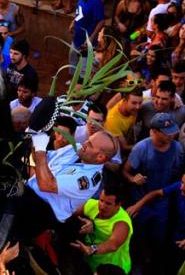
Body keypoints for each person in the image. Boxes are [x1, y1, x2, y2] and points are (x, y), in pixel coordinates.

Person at [122, 113, 184, 274]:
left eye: (172, 131)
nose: (171, 135)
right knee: (137, 237)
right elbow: (125, 172)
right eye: (166, 132)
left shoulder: (177, 148)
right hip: (140, 201)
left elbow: (177, 175)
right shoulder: (141, 148)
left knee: (159, 238)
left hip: (162, 201)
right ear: (154, 131)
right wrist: (132, 179)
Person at [126, 174, 185, 274]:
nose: (181, 187)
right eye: (182, 182)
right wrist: (137, 205)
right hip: (174, 236)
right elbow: (157, 192)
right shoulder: (180, 187)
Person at [71, 185, 133, 274]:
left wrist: (90, 249)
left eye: (108, 203)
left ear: (118, 205)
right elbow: (68, 213)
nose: (102, 206)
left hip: (112, 269)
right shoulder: (93, 205)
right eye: (101, 200)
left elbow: (112, 245)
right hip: (90, 263)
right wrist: (85, 221)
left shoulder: (122, 223)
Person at [68, 0, 104, 75]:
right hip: (77, 37)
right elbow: (79, 13)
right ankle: (73, 79)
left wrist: (92, 36)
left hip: (87, 41)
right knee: (73, 58)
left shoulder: (96, 2)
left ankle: (80, 84)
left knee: (84, 65)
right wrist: (73, 22)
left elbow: (101, 21)